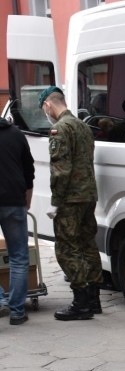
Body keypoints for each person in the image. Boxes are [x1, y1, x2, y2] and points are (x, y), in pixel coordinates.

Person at [39, 86, 104, 320]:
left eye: (44, 109)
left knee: (67, 247)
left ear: (48, 105)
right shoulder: (84, 127)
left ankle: (81, 303)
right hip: (88, 196)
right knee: (88, 243)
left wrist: (55, 202)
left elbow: (61, 171)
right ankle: (94, 299)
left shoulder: (60, 129)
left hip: (70, 198)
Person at [0, 117, 35, 325]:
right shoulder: (15, 134)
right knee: (19, 257)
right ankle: (17, 312)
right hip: (14, 201)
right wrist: (27, 199)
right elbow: (28, 170)